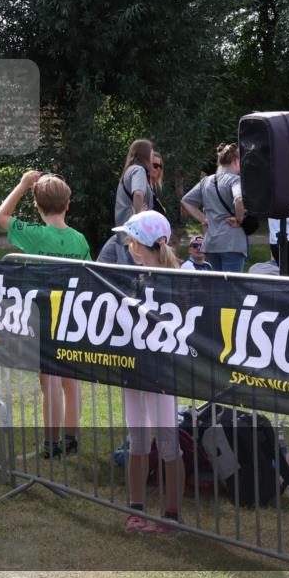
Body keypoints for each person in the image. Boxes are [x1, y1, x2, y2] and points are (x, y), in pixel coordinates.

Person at [0, 171, 91, 458]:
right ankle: (71, 438)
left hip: (44, 318)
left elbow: (2, 215)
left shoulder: (35, 235)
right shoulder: (79, 239)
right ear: (68, 205)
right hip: (73, 318)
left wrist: (23, 184)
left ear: (37, 207)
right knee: (70, 380)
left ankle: (51, 443)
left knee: (48, 380)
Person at [110, 210, 184, 535]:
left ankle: (171, 516)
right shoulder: (135, 279)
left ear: (147, 243)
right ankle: (135, 509)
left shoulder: (177, 281)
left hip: (163, 376)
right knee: (136, 441)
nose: (128, 247)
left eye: (132, 241)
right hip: (134, 372)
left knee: (168, 444)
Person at [180, 143, 248, 273]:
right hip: (232, 242)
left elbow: (186, 201)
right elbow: (239, 199)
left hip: (212, 242)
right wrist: (239, 219)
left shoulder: (206, 181)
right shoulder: (235, 180)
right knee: (231, 287)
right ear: (235, 160)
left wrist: (204, 219)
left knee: (219, 287)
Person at [110, 139, 155, 264]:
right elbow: (138, 193)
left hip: (126, 233)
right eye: (151, 152)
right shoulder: (138, 170)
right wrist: (139, 216)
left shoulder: (129, 170)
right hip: (134, 234)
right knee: (134, 275)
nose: (153, 155)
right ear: (145, 154)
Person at [150, 149, 168, 217]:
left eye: (160, 166)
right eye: (155, 165)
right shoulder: (142, 185)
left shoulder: (155, 187)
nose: (158, 169)